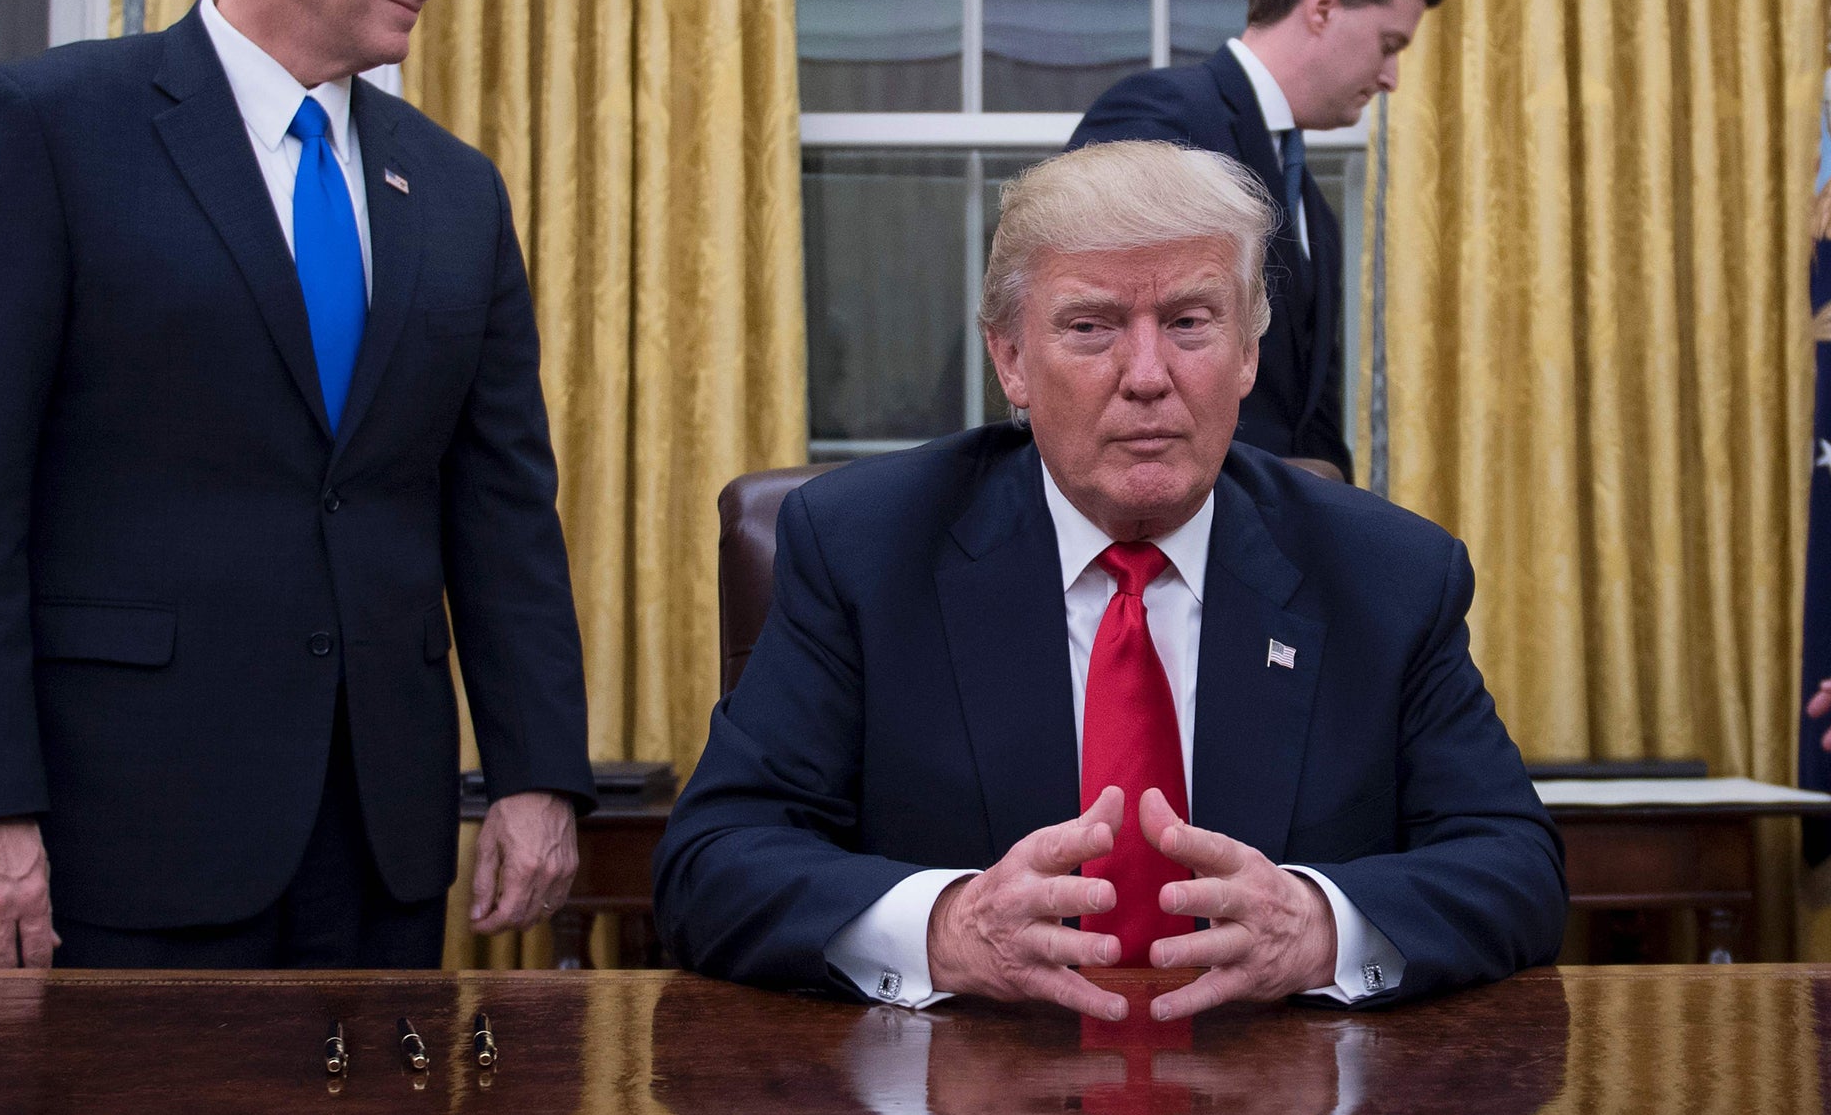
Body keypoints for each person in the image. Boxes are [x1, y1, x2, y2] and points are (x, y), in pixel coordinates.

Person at [0, 0, 592, 970]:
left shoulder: (457, 192)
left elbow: (502, 506)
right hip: (118, 836)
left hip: (378, 842)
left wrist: (535, 773)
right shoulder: (45, 129)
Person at [653, 140, 1564, 1022]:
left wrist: (1320, 927)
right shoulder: (867, 550)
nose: (1146, 376)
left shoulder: (1386, 574)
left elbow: (1515, 868)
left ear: (1248, 352)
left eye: (1189, 323)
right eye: (1090, 328)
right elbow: (712, 866)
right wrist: (948, 929)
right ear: (1010, 359)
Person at [1068, 0, 1445, 484]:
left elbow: (1304, 413)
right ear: (1323, 5)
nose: (1391, 77)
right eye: (1389, 44)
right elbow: (1096, 337)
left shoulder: (1314, 211)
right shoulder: (1162, 115)